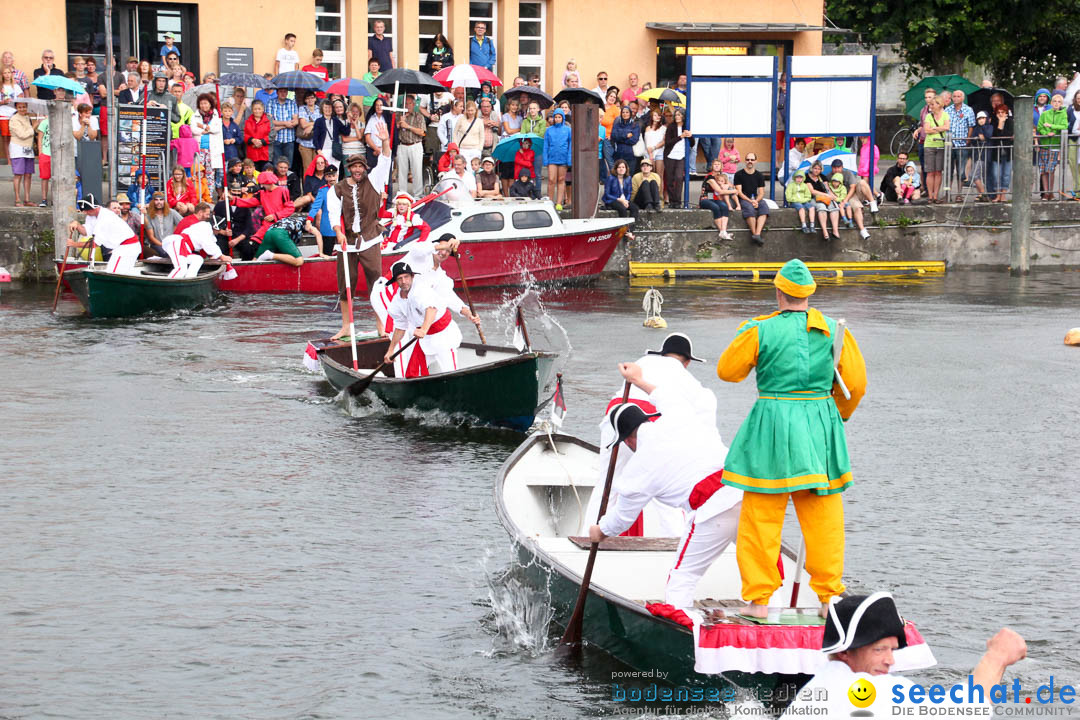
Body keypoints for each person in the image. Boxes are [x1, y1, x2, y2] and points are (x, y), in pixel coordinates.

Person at [717, 258, 866, 617]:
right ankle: (829, 599)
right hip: (819, 427)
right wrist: (836, 416)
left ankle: (760, 601)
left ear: (779, 292)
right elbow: (856, 385)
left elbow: (727, 372)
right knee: (824, 516)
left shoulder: (760, 329)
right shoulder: (834, 331)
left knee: (761, 516)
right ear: (809, 295)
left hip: (771, 423)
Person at [588, 360, 741, 608]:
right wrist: (638, 380)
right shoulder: (678, 415)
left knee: (682, 578)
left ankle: (683, 635)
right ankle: (773, 618)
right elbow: (664, 395)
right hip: (748, 494)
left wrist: (600, 531)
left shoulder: (639, 470)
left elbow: (623, 518)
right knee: (760, 569)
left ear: (627, 441)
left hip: (711, 510)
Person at [781, 593, 1027, 718]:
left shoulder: (820, 684)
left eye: (892, 650)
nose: (890, 660)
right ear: (844, 652)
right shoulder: (865, 691)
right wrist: (997, 657)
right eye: (879, 649)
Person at [327, 128, 392, 339]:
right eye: (353, 167)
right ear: (348, 169)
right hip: (347, 242)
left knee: (376, 282)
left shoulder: (373, 181)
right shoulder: (336, 189)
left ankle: (381, 324)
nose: (357, 170)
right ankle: (346, 326)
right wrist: (338, 232)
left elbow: (385, 159)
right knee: (346, 284)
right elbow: (333, 213)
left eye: (360, 167)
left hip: (370, 238)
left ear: (364, 168)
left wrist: (384, 141)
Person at [67, 195, 141, 274]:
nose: (84, 212)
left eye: (86, 210)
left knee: (114, 274)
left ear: (94, 208)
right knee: (111, 272)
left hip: (127, 248)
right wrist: (77, 224)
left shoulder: (105, 217)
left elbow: (95, 244)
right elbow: (86, 232)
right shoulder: (91, 215)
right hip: (119, 248)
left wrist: (74, 244)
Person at [163, 202, 231, 278]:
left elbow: (212, 243)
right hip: (177, 243)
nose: (219, 232)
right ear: (215, 227)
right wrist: (221, 256)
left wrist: (217, 256)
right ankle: (169, 287)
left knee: (198, 259)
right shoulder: (204, 228)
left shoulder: (206, 229)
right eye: (219, 230)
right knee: (181, 268)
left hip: (184, 247)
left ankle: (190, 280)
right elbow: (208, 243)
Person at [1036, 91, 1068, 201]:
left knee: (1051, 169)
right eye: (1054, 101)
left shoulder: (1063, 114)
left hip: (1054, 144)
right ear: (1051, 102)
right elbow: (1039, 127)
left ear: (1061, 104)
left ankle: (1050, 192)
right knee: (1043, 169)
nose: (1056, 103)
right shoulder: (1045, 114)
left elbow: (1064, 125)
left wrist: (1052, 126)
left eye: (1059, 102)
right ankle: (1045, 193)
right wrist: (1046, 133)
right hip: (1045, 144)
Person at [828, 159, 872, 239]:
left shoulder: (848, 173)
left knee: (857, 208)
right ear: (831, 168)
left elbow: (853, 187)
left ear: (842, 167)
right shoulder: (829, 176)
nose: (836, 169)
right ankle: (857, 226)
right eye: (834, 168)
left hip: (850, 195)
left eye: (838, 167)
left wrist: (845, 200)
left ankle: (862, 230)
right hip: (837, 198)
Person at [304, 163, 339, 256]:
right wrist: (309, 219)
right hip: (328, 227)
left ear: (337, 175)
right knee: (327, 254)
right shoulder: (322, 190)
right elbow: (315, 206)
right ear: (325, 177)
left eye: (333, 176)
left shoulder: (343, 188)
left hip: (342, 225)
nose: (332, 179)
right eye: (329, 176)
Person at [734, 154, 769, 245]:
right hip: (744, 198)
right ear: (745, 161)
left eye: (752, 159)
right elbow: (739, 192)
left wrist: (756, 201)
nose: (750, 161)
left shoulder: (759, 175)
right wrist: (751, 201)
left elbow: (761, 192)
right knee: (749, 210)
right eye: (748, 159)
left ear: (756, 161)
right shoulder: (739, 174)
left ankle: (757, 234)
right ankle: (755, 234)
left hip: (755, 198)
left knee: (764, 208)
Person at [945, 90, 976, 188]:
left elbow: (971, 126)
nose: (956, 98)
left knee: (961, 171)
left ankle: (959, 193)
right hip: (949, 143)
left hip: (962, 144)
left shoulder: (968, 110)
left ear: (962, 98)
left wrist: (968, 139)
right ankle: (947, 193)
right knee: (948, 170)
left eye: (958, 96)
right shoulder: (947, 110)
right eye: (954, 96)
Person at [397, 94, 426, 197]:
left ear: (414, 105)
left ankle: (418, 195)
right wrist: (399, 124)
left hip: (415, 145)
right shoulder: (399, 115)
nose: (407, 105)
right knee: (401, 172)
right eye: (405, 103)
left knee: (416, 171)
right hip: (402, 145)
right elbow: (393, 130)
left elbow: (422, 132)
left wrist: (408, 126)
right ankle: (402, 194)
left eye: (409, 103)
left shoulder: (419, 116)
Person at [699, 159, 736, 239]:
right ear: (712, 166)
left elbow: (731, 185)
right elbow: (719, 191)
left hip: (716, 199)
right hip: (705, 199)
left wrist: (727, 186)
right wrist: (735, 191)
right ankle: (722, 231)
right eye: (715, 164)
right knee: (715, 207)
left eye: (718, 164)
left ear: (721, 167)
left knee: (724, 206)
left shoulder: (721, 176)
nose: (716, 165)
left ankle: (723, 232)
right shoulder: (710, 177)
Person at [8, 99, 34, 206]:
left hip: (28, 149)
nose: (22, 109)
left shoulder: (28, 118)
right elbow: (22, 134)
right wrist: (34, 127)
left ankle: (27, 199)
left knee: (28, 175)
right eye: (20, 107)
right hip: (17, 148)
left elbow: (30, 134)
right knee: (18, 175)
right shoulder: (13, 119)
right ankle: (17, 199)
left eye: (24, 107)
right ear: (16, 108)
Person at [544, 108, 572, 209]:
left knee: (561, 179)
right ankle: (550, 202)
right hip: (552, 158)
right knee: (551, 179)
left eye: (559, 117)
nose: (557, 119)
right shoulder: (549, 130)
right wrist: (545, 159)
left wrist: (569, 159)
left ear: (563, 118)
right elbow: (546, 145)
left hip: (563, 158)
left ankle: (559, 202)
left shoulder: (568, 130)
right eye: (555, 117)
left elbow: (570, 145)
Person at [922, 95, 949, 202]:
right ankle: (930, 195)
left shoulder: (945, 115)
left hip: (941, 145)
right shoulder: (929, 116)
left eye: (933, 104)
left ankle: (936, 195)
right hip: (929, 145)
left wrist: (934, 128)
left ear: (939, 104)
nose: (931, 106)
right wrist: (939, 129)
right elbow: (926, 130)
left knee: (938, 171)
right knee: (930, 171)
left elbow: (947, 127)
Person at [663, 108, 690, 207]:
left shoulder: (686, 127)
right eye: (676, 115)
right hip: (670, 155)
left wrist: (690, 136)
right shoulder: (671, 127)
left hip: (681, 156)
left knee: (679, 177)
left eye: (679, 115)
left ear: (683, 116)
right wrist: (680, 137)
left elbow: (692, 144)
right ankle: (672, 201)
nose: (677, 117)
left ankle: (677, 201)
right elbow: (668, 143)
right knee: (669, 179)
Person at [266, 87, 298, 166]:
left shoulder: (292, 103)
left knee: (288, 164)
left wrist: (279, 126)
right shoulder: (271, 102)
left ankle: (286, 178)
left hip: (289, 139)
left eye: (285, 92)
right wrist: (285, 124)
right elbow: (270, 121)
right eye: (281, 91)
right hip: (276, 138)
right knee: (276, 165)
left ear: (287, 93)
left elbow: (295, 121)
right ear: (277, 92)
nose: (283, 93)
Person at [145, 191, 181, 258]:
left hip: (171, 243)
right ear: (153, 202)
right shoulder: (148, 216)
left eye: (161, 200)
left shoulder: (172, 212)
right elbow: (151, 237)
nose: (159, 202)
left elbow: (183, 223)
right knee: (165, 253)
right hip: (157, 245)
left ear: (164, 201)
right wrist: (163, 245)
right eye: (156, 200)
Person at [989, 104, 1013, 204]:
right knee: (996, 174)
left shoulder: (1010, 121)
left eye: (1002, 112)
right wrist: (1000, 123)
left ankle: (1003, 195)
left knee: (1006, 174)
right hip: (996, 152)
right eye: (998, 112)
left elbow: (1009, 133)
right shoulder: (993, 122)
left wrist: (1003, 124)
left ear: (1006, 113)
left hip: (1007, 151)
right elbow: (996, 135)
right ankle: (997, 195)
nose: (1000, 114)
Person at [453, 100, 484, 167]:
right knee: (465, 168)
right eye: (468, 110)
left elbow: (482, 136)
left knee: (474, 169)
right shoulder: (461, 119)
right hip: (463, 149)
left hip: (475, 149)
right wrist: (456, 146)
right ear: (466, 110)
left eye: (472, 110)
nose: (470, 112)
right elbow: (455, 133)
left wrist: (480, 148)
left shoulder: (479, 121)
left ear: (475, 110)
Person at [612, 106, 641, 174]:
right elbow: (614, 136)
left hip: (630, 155)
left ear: (630, 113)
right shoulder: (617, 125)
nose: (625, 114)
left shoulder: (635, 125)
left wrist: (620, 139)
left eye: (627, 112)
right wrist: (626, 135)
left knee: (629, 176)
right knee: (618, 175)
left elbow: (634, 140)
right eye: (623, 112)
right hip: (618, 155)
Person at [295, 91, 321, 169]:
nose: (310, 100)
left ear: (315, 99)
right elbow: (303, 125)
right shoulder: (302, 108)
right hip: (305, 143)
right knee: (308, 168)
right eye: (308, 98)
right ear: (305, 100)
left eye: (312, 98)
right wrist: (315, 124)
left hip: (317, 143)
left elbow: (322, 124)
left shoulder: (319, 109)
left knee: (317, 168)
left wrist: (311, 126)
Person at [784, 169, 815, 234]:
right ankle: (804, 225)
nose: (799, 179)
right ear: (794, 178)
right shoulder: (791, 185)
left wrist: (803, 200)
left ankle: (812, 225)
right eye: (797, 177)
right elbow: (788, 197)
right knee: (801, 208)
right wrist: (798, 200)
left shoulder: (805, 185)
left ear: (803, 178)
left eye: (801, 177)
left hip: (804, 201)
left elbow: (808, 196)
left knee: (812, 208)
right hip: (794, 202)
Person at [244, 100, 271, 168]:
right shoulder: (247, 121)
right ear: (252, 110)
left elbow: (272, 134)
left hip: (265, 152)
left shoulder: (268, 120)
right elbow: (243, 134)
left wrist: (261, 142)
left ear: (263, 109)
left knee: (265, 174)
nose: (257, 111)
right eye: (255, 109)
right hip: (252, 152)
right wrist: (252, 140)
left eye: (259, 109)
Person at [35, 110, 51, 206]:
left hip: (57, 153)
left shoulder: (59, 121)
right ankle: (44, 199)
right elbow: (40, 137)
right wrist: (40, 152)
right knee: (45, 177)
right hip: (45, 152)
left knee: (56, 178)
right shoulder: (45, 122)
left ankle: (55, 198)